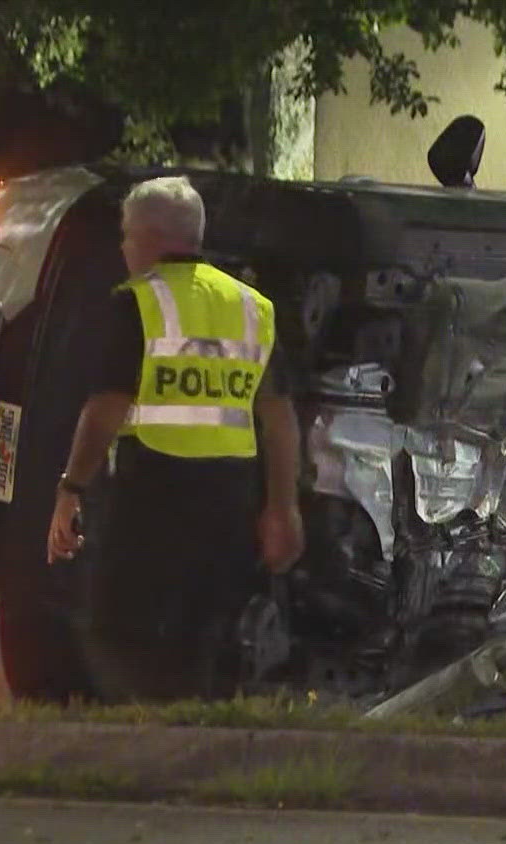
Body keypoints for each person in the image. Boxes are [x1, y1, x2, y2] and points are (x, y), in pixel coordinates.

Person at [46, 176, 304, 700]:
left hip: (154, 493)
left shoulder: (137, 304)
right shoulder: (251, 306)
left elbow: (106, 410)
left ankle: (144, 737)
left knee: (113, 627)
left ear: (148, 238)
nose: (122, 248)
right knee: (204, 636)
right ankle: (197, 732)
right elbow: (278, 417)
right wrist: (283, 508)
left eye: (125, 236)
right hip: (231, 499)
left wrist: (71, 488)